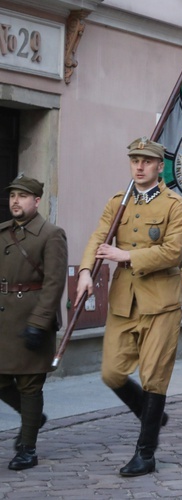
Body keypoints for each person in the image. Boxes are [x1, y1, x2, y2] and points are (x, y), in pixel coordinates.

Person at [76, 137, 182, 477]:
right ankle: (149, 411)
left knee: (154, 376)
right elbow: (99, 238)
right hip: (124, 299)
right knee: (111, 372)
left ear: (159, 166)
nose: (139, 166)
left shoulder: (175, 205)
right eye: (134, 160)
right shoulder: (118, 202)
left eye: (146, 161)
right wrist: (85, 272)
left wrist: (126, 255)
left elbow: (173, 252)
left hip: (161, 302)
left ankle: (146, 453)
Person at [0, 174, 67, 471]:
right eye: (13, 195)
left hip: (31, 319)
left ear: (37, 201)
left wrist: (39, 323)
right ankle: (34, 419)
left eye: (23, 196)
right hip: (3, 321)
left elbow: (54, 283)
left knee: (29, 386)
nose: (16, 200)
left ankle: (27, 448)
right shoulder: (2, 232)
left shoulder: (51, 234)